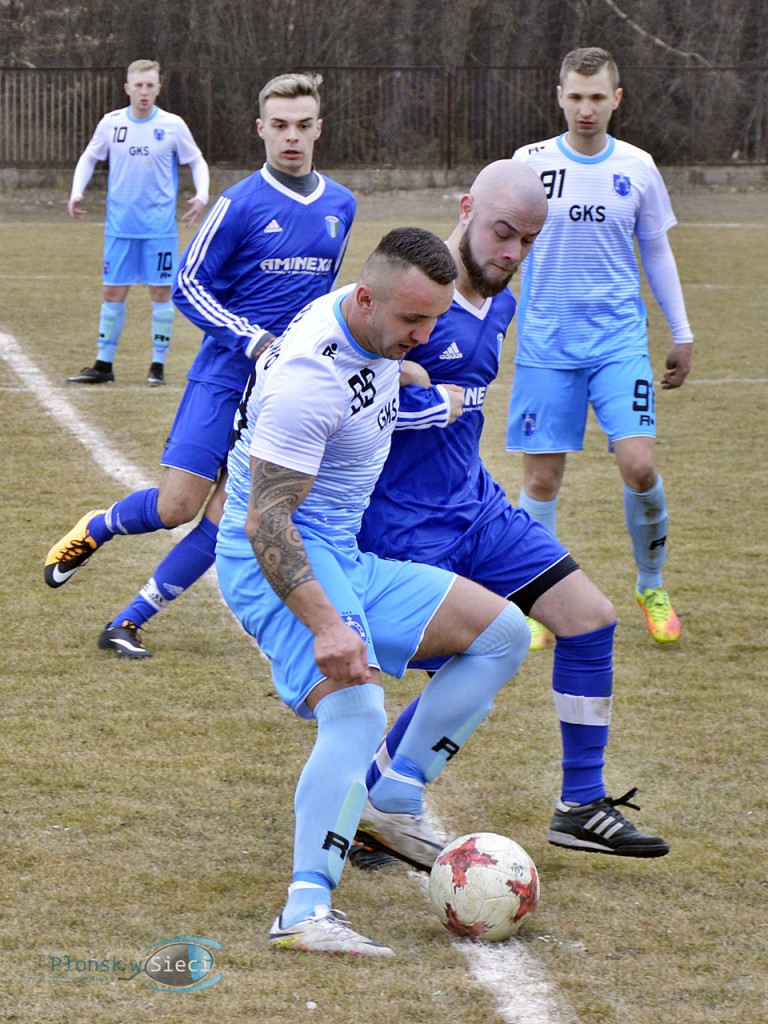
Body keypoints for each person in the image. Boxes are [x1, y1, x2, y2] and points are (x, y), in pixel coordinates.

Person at [216, 227, 532, 956]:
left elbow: (383, 360)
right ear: (365, 299)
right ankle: (304, 910)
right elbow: (268, 519)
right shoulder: (308, 380)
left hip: (344, 550)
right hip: (279, 551)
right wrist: (327, 625)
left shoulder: (372, 322)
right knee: (356, 713)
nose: (423, 338)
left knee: (502, 632)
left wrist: (410, 375)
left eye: (434, 322)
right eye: (412, 324)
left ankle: (390, 796)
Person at [354, 160, 670, 867]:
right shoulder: (404, 297)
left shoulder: (501, 303)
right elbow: (342, 391)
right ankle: (377, 803)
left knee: (590, 619)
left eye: (528, 242)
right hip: (403, 526)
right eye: (503, 234)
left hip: (478, 509)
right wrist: (405, 385)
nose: (512, 255)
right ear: (466, 208)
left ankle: (580, 803)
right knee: (466, 664)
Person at [44, 72, 357, 658]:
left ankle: (128, 621)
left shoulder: (342, 204)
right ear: (261, 130)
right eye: (280, 126)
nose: (292, 137)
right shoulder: (240, 202)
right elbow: (187, 284)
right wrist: (252, 339)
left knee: (230, 516)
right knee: (175, 507)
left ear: (319, 128)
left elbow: (323, 298)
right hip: (225, 375)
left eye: (303, 125)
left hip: (284, 393)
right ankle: (99, 525)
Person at [505, 47, 693, 648]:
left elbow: (656, 252)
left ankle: (652, 583)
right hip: (546, 347)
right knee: (541, 483)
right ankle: (535, 599)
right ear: (559, 96)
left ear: (617, 99)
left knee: (639, 466)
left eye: (597, 97)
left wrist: (682, 332)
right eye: (575, 96)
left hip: (618, 345)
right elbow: (497, 246)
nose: (586, 109)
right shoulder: (527, 164)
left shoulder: (638, 167)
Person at [66, 59, 210, 387]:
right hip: (120, 226)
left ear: (158, 89)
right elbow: (90, 156)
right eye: (138, 85)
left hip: (159, 228)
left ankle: (157, 367)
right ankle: (104, 365)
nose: (144, 91)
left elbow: (196, 159)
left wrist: (201, 195)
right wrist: (76, 192)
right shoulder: (111, 123)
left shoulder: (172, 125)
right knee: (112, 292)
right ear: (127, 88)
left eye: (150, 85)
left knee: (161, 292)